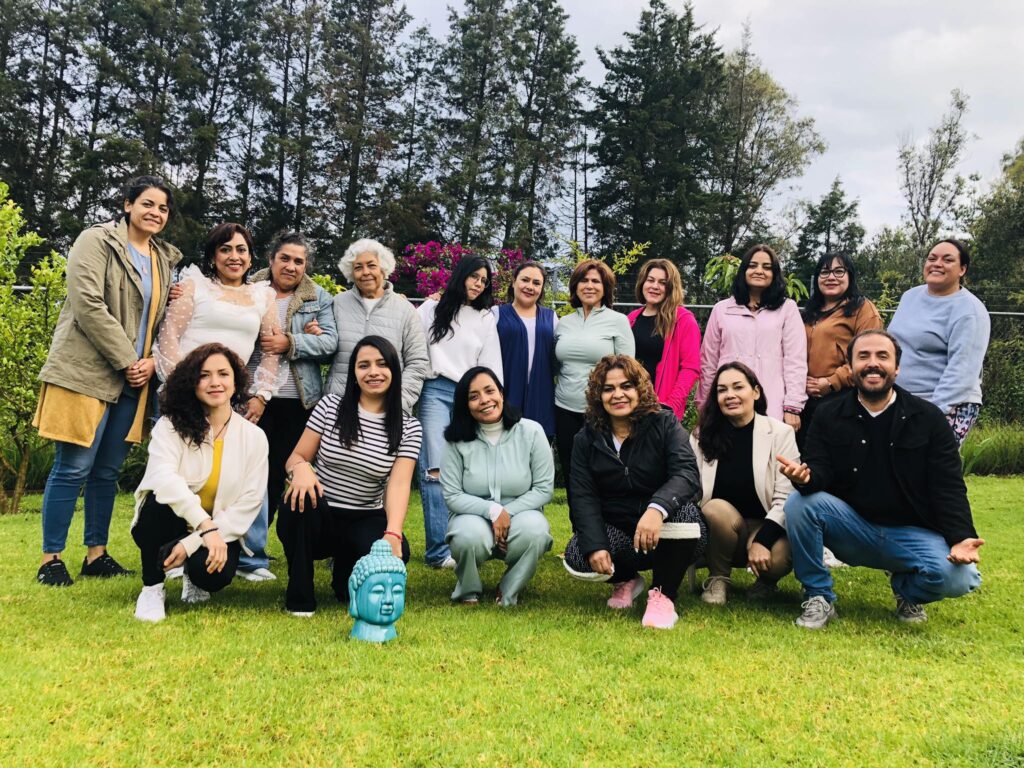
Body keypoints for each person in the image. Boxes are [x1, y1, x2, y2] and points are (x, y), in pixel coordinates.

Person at [779, 330, 984, 630]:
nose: (872, 363)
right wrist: (806, 479)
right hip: (852, 528)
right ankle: (818, 594)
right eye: (863, 356)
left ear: (897, 368)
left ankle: (906, 588)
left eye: (882, 356)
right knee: (799, 503)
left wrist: (962, 537)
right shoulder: (827, 414)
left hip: (909, 533)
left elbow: (948, 486)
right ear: (850, 368)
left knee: (961, 578)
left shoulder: (928, 418)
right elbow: (819, 470)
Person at [34, 175, 182, 586]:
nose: (155, 213)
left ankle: (96, 554)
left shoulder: (163, 258)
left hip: (135, 379)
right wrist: (128, 359)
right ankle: (50, 559)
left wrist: (151, 363)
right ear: (127, 205)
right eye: (147, 204)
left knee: (106, 471)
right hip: (86, 372)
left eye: (163, 208)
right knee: (73, 467)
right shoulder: (95, 240)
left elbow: (161, 321)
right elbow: (87, 303)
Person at [155, 222, 286, 581]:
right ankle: (173, 554)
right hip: (185, 395)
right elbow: (169, 338)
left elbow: (270, 350)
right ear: (213, 256)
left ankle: (247, 557)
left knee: (241, 476)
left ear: (251, 258)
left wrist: (261, 394)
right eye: (225, 249)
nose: (234, 256)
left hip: (231, 398)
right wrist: (182, 389)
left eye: (241, 249)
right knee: (183, 474)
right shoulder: (193, 286)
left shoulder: (263, 297)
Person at [278, 336, 420, 616]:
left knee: (397, 552)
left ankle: (344, 572)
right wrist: (301, 469)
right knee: (298, 504)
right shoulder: (330, 406)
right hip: (320, 511)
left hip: (364, 517)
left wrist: (392, 533)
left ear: (394, 370)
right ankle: (300, 596)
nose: (373, 372)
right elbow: (296, 457)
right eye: (364, 365)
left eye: (381, 364)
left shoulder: (409, 427)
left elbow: (399, 484)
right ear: (354, 373)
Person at [563, 355, 707, 629]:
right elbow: (583, 496)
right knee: (579, 555)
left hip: (665, 530)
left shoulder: (665, 423)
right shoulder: (586, 438)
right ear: (598, 396)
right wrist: (596, 545)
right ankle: (626, 579)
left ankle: (663, 595)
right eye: (608, 389)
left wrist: (657, 508)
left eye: (626, 386)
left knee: (687, 518)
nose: (618, 394)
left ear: (640, 389)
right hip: (621, 532)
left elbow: (687, 474)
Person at [131, 344, 269, 622]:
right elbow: (163, 479)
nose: (215, 382)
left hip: (219, 530)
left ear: (235, 382)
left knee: (213, 576)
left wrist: (193, 542)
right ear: (191, 383)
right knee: (157, 502)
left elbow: (249, 502)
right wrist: (204, 526)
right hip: (171, 520)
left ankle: (193, 577)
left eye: (223, 374)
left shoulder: (254, 437)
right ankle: (152, 588)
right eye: (204, 375)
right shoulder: (170, 425)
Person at [417, 257, 503, 569]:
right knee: (435, 470)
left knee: (473, 471)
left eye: (484, 280)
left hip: (471, 395)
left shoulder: (485, 317)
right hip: (435, 392)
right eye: (474, 277)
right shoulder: (431, 308)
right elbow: (412, 344)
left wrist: (494, 402)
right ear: (461, 276)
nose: (478, 284)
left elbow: (491, 364)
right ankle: (439, 551)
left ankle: (474, 542)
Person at [442, 367, 555, 606]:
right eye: (473, 396)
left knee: (536, 530)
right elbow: (452, 495)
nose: (484, 400)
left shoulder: (532, 432)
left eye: (489, 391)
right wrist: (492, 511)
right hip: (472, 516)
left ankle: (509, 588)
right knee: (467, 536)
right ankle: (468, 589)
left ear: (501, 394)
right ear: (465, 405)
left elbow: (544, 488)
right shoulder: (456, 440)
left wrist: (506, 513)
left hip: (521, 514)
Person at [246, 231, 338, 523]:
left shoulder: (318, 298)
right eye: (284, 258)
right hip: (253, 396)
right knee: (248, 470)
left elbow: (330, 343)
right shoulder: (249, 290)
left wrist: (292, 342)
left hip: (297, 400)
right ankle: (240, 535)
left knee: (279, 470)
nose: (291, 266)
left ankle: (259, 536)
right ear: (271, 259)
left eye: (299, 261)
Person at [691, 363, 798, 605]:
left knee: (778, 558)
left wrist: (762, 541)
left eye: (738, 387)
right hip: (722, 528)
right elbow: (691, 489)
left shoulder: (780, 433)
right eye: (722, 390)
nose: (730, 395)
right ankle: (718, 577)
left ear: (756, 392)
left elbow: (786, 497)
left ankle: (766, 582)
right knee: (715, 508)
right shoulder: (701, 436)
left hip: (765, 526)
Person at [888, 238, 991, 447]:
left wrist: (930, 414)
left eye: (947, 260)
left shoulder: (970, 311)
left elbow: (962, 372)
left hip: (947, 406)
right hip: (899, 401)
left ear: (962, 269)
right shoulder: (910, 296)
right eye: (932, 258)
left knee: (928, 465)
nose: (937, 264)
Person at [698, 243, 807, 426]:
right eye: (753, 265)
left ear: (775, 273)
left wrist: (792, 406)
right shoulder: (721, 310)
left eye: (767, 267)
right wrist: (705, 406)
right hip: (728, 402)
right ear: (744, 271)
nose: (759, 271)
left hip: (771, 402)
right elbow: (708, 362)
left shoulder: (787, 309)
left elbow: (795, 360)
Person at [554, 259, 635, 497]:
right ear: (575, 286)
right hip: (564, 410)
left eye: (595, 281)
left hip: (602, 412)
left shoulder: (618, 321)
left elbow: (628, 370)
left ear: (605, 287)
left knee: (602, 476)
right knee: (572, 474)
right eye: (584, 280)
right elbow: (557, 365)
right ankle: (577, 521)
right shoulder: (563, 323)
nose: (589, 286)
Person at [325, 238, 430, 414]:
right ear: (351, 272)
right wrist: (317, 336)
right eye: (358, 267)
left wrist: (399, 402)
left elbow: (417, 362)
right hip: (340, 405)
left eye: (371, 265)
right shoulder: (337, 304)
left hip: (388, 410)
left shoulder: (406, 310)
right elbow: (326, 355)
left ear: (383, 268)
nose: (365, 272)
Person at [801, 252, 883, 448]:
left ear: (850, 276)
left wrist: (831, 382)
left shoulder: (862, 309)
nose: (831, 277)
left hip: (842, 397)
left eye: (839, 271)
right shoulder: (809, 312)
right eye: (825, 272)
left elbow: (870, 356)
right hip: (804, 399)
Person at [627, 258, 701, 419]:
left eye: (663, 283)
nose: (655, 286)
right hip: (629, 406)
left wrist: (670, 406)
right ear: (642, 283)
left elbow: (690, 368)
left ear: (671, 288)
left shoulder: (683, 320)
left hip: (660, 410)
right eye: (650, 280)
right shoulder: (631, 319)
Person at [494, 261, 558, 438]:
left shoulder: (551, 318)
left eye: (536, 283)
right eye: (525, 280)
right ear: (514, 281)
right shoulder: (496, 314)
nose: (530, 287)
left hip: (541, 395)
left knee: (538, 444)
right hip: (506, 393)